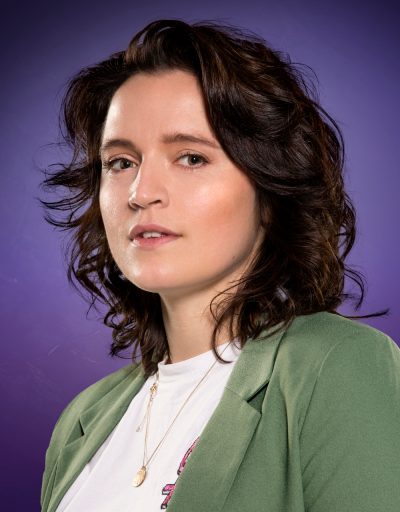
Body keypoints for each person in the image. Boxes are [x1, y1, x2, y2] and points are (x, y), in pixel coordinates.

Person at [40, 18, 400, 512]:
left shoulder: (336, 366)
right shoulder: (81, 422)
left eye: (190, 158)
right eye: (121, 162)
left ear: (269, 191)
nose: (141, 193)